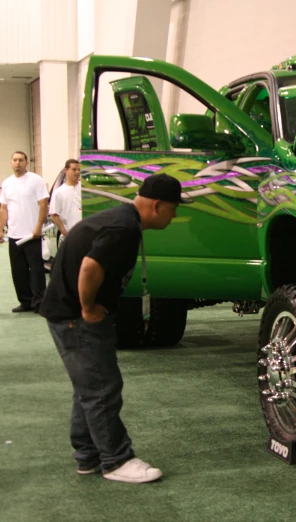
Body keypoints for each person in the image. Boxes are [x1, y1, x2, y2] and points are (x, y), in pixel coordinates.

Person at [38, 173, 189, 484]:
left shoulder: (122, 220)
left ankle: (88, 455)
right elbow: (90, 267)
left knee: (88, 386)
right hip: (74, 317)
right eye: (173, 209)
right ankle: (116, 460)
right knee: (102, 388)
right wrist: (88, 307)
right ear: (157, 205)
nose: (174, 216)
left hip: (64, 313)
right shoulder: (123, 229)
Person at [0, 151, 50, 313]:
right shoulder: (7, 183)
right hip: (14, 235)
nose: (17, 163)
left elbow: (44, 205)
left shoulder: (35, 180)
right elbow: (3, 208)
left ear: (26, 163)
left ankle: (39, 303)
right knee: (18, 271)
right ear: (10, 163)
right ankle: (26, 302)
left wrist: (38, 227)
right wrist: (1, 230)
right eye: (14, 160)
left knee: (36, 271)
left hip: (32, 234)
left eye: (21, 160)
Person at [49, 159, 82, 238]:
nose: (77, 172)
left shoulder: (85, 189)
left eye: (79, 170)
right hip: (71, 234)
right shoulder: (59, 192)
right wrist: (65, 233)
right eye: (74, 169)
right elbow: (55, 215)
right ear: (66, 170)